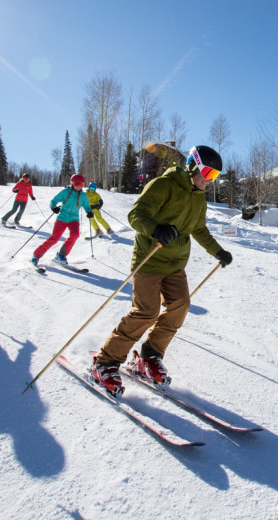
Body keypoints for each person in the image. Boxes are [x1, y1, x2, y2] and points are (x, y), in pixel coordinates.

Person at [91, 145, 233, 395]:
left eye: (215, 177)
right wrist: (156, 229)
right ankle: (105, 362)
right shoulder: (163, 185)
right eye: (208, 174)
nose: (209, 181)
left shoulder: (199, 198)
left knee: (180, 305)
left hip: (175, 264)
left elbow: (199, 229)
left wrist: (218, 252)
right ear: (192, 166)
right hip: (150, 259)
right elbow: (135, 215)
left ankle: (150, 356)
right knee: (146, 312)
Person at [31, 174, 93, 266]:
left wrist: (89, 212)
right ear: (72, 183)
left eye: (81, 184)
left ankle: (61, 255)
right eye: (77, 183)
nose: (79, 186)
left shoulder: (83, 196)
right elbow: (54, 201)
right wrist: (53, 207)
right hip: (62, 218)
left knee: (75, 235)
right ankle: (36, 255)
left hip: (74, 219)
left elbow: (87, 206)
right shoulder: (66, 192)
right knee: (54, 238)